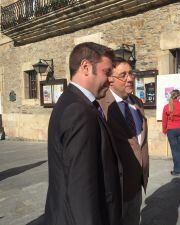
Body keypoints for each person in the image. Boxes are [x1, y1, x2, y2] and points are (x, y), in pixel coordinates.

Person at [44, 42, 123, 225]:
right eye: (107, 72)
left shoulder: (74, 102)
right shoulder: (79, 111)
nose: (110, 79)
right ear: (86, 67)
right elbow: (81, 188)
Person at [99, 57, 149, 225]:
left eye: (131, 73)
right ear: (110, 79)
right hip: (114, 189)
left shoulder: (137, 103)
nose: (130, 78)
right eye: (123, 75)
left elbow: (139, 142)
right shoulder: (100, 105)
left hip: (136, 184)